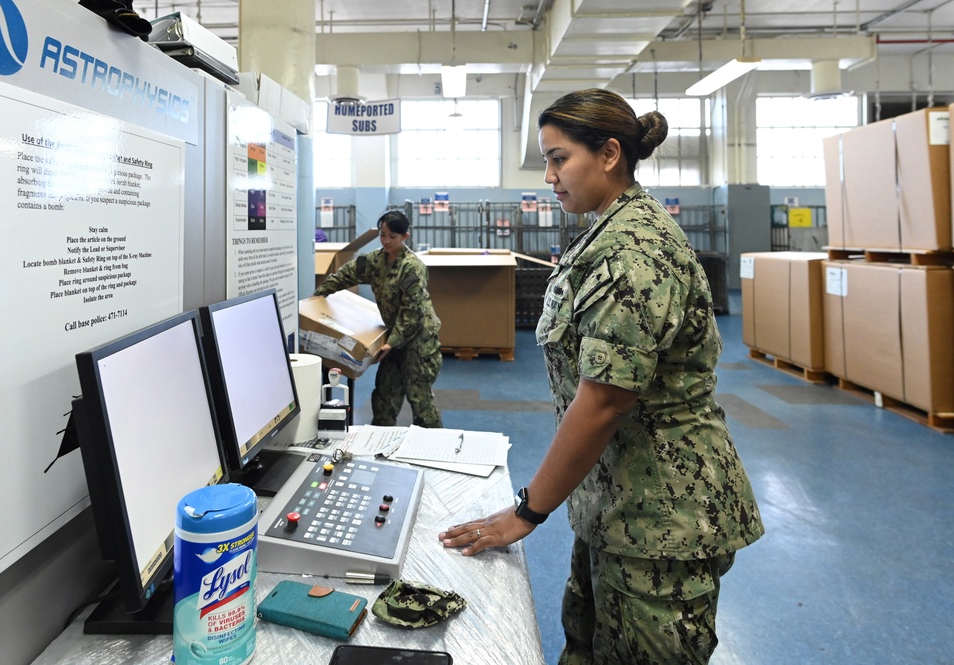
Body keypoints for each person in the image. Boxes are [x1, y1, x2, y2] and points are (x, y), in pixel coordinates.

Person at [438, 88, 764, 664]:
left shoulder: (637, 251)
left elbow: (605, 402)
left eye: (559, 158)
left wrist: (526, 512)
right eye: (547, 160)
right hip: (618, 505)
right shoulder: (605, 233)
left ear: (609, 154)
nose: (549, 175)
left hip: (664, 517)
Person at [313, 210, 444, 428]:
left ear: (405, 237)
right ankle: (378, 447)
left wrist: (392, 343)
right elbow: (346, 274)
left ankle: (432, 449)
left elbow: (413, 313)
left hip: (418, 342)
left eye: (392, 236)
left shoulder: (412, 267)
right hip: (392, 340)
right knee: (384, 398)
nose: (386, 241)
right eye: (383, 235)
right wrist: (319, 295)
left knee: (420, 402)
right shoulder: (375, 260)